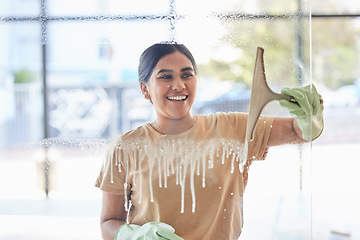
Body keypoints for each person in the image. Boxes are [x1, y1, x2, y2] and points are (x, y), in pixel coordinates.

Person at [95, 42, 324, 240]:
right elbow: (108, 222)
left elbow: (299, 132)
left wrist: (309, 115)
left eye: (187, 74)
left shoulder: (231, 129)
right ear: (145, 89)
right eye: (166, 76)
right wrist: (134, 235)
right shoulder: (126, 147)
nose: (179, 85)